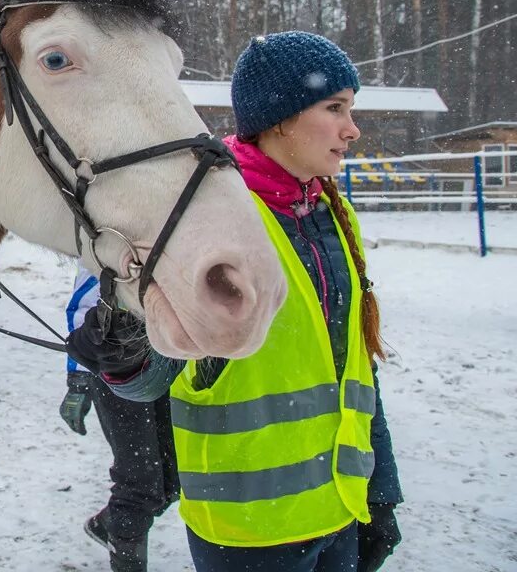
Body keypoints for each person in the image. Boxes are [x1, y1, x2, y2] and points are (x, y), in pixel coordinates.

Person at [66, 31, 403, 572]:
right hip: (249, 528)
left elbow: (357, 370)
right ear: (280, 119)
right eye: (335, 108)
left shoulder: (332, 215)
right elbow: (157, 377)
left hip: (340, 508)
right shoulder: (209, 227)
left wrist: (380, 492)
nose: (352, 129)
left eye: (351, 109)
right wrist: (124, 355)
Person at [59, 266, 179, 572]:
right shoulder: (114, 237)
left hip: (164, 358)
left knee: (173, 477)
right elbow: (84, 304)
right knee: (139, 480)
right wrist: (78, 380)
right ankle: (127, 550)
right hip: (115, 363)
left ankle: (110, 525)